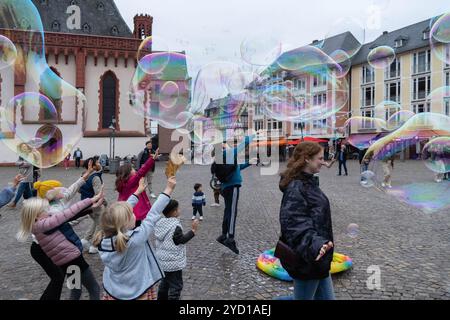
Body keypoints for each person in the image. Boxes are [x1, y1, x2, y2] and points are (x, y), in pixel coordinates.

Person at [94, 177, 176, 300]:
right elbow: (153, 213)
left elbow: (119, 212)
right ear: (125, 223)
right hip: (138, 291)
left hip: (114, 291)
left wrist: (137, 192)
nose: (134, 214)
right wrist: (168, 189)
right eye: (131, 213)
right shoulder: (135, 239)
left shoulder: (102, 239)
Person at [17, 192, 104, 300]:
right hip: (74, 259)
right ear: (36, 216)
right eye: (44, 210)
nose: (48, 212)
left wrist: (91, 209)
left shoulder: (39, 225)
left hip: (65, 262)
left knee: (76, 290)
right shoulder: (44, 225)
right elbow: (67, 214)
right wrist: (91, 200)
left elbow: (67, 217)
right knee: (94, 289)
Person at [279, 141, 335, 300]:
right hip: (308, 258)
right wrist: (317, 244)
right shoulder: (296, 187)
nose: (323, 162)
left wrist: (321, 245)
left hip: (319, 257)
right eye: (320, 158)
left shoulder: (309, 182)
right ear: (306, 159)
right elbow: (294, 226)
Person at [216, 136, 254, 255]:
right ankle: (230, 238)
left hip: (226, 187)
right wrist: (251, 134)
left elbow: (237, 168)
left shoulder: (225, 156)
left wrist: (249, 163)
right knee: (232, 212)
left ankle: (223, 235)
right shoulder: (228, 152)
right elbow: (244, 144)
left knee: (228, 210)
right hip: (232, 187)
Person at [155, 199, 199, 300]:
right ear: (174, 212)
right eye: (178, 208)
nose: (179, 210)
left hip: (162, 261)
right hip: (173, 262)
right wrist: (193, 230)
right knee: (176, 286)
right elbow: (180, 240)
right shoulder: (175, 226)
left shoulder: (160, 223)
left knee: (165, 283)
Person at [116, 148, 159, 227]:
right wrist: (152, 159)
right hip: (134, 213)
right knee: (135, 229)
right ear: (128, 173)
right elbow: (141, 171)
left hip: (128, 211)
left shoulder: (123, 182)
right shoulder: (131, 181)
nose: (134, 170)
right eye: (132, 169)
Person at [79, 156, 105, 254]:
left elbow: (79, 189)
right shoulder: (96, 177)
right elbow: (98, 193)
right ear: (93, 166)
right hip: (95, 205)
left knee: (95, 222)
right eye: (98, 162)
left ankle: (85, 240)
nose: (100, 163)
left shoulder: (83, 175)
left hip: (85, 204)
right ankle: (95, 245)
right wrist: (104, 202)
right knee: (101, 225)